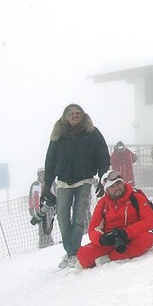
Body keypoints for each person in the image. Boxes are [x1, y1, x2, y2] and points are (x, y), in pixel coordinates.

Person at [44, 103, 110, 268]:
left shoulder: (92, 133)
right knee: (62, 217)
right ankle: (71, 251)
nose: (75, 115)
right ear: (65, 116)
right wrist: (47, 184)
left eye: (78, 113)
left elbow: (103, 156)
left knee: (79, 218)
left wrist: (103, 179)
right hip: (63, 182)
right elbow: (50, 160)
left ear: (82, 115)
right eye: (71, 113)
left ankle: (74, 253)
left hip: (85, 180)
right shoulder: (58, 136)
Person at [76, 170, 153, 268]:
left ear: (123, 183)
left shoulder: (135, 197)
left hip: (132, 236)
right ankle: (107, 256)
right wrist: (101, 239)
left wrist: (127, 233)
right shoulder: (103, 203)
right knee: (83, 255)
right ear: (107, 190)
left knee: (147, 239)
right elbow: (93, 228)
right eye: (112, 187)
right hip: (110, 239)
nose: (117, 188)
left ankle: (110, 258)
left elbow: (150, 220)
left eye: (118, 184)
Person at [28, 168, 55, 248]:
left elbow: (56, 193)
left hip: (49, 207)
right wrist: (31, 208)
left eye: (43, 174)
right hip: (38, 208)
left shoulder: (51, 183)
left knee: (48, 223)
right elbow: (31, 197)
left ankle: (48, 240)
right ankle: (42, 241)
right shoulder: (34, 185)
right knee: (40, 225)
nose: (42, 176)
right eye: (40, 175)